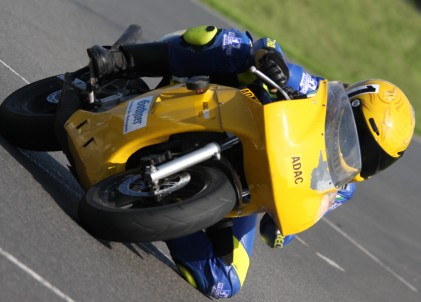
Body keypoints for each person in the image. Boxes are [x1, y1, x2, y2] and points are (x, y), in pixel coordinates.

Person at [86, 25, 415, 298]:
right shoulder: (316, 93)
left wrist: (283, 229)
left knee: (223, 283)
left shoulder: (342, 188)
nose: (358, 150)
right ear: (350, 106)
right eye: (357, 132)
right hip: (218, 104)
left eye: (376, 157)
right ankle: (122, 60)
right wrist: (270, 60)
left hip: (249, 184)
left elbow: (285, 223)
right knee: (234, 45)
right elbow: (269, 45)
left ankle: (158, 206)